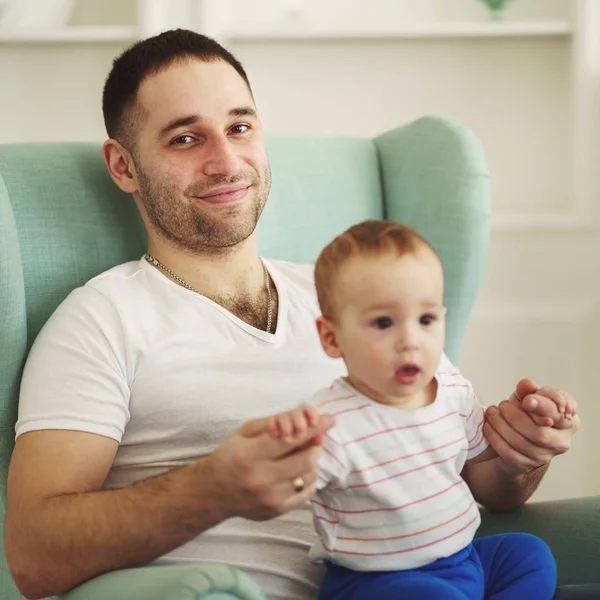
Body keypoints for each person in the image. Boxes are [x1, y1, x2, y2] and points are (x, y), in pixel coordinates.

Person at [4, 29, 579, 600]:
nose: (226, 161)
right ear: (123, 167)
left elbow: (482, 480)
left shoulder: (356, 298)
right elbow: (33, 558)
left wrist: (518, 455)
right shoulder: (101, 321)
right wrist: (213, 489)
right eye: (185, 139)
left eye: (239, 127)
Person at [270, 220, 575, 600]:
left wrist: (529, 417)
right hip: (377, 582)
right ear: (333, 338)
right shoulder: (330, 421)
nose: (411, 341)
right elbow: (285, 488)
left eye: (426, 319)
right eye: (384, 322)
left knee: (529, 555)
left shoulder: (452, 392)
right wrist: (285, 453)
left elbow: (487, 451)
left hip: (462, 560)